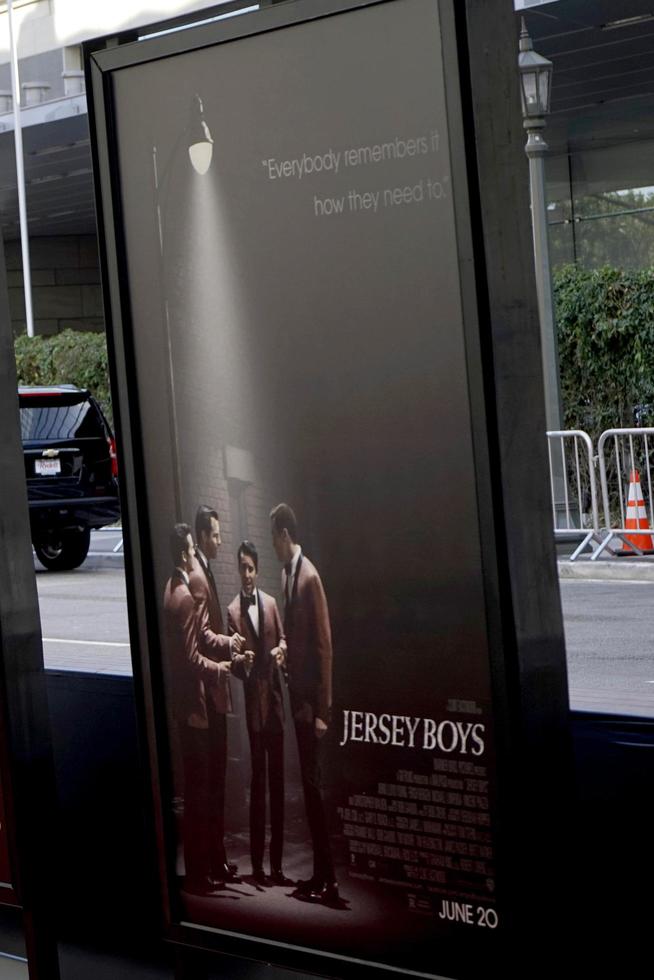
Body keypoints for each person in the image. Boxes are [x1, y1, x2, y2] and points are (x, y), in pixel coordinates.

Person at [270, 502, 338, 904]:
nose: (272, 546)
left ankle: (327, 878)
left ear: (283, 534)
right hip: (298, 701)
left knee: (314, 791)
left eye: (273, 538)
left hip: (311, 706)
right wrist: (284, 652)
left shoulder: (309, 578)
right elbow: (296, 637)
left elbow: (325, 647)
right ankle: (319, 875)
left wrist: (324, 713)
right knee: (310, 791)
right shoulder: (287, 574)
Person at [163, 523, 230, 897]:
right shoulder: (186, 596)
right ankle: (200, 876)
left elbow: (200, 638)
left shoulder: (171, 588)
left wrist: (224, 644)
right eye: (190, 549)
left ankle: (200, 871)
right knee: (199, 790)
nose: (193, 554)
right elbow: (191, 657)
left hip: (183, 705)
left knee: (195, 788)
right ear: (186, 552)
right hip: (195, 708)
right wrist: (220, 668)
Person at [227, 540, 292, 887]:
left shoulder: (269, 603)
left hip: (276, 710)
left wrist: (282, 649)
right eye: (243, 568)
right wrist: (242, 663)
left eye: (251, 568)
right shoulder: (233, 611)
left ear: (257, 569)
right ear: (238, 570)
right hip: (254, 709)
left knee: (278, 787)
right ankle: (256, 867)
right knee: (258, 786)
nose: (247, 574)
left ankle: (278, 867)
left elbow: (284, 640)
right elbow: (232, 664)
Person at [188, 504, 245, 884]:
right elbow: (203, 638)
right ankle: (206, 865)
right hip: (206, 693)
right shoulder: (196, 577)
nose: (220, 541)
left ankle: (217, 859)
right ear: (201, 535)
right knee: (207, 786)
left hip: (214, 692)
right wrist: (230, 644)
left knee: (217, 782)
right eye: (214, 534)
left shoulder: (203, 570)